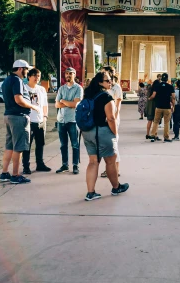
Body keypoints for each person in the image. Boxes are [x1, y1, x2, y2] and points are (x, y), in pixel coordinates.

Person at [80, 71, 129, 200]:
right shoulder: (106, 97)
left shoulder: (88, 95)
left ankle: (90, 193)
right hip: (101, 132)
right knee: (110, 161)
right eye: (107, 80)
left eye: (111, 80)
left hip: (87, 132)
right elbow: (111, 118)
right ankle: (116, 187)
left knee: (93, 162)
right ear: (100, 82)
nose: (110, 82)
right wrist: (115, 133)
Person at [0, 59, 40, 184]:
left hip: (9, 115)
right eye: (26, 69)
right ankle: (16, 175)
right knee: (19, 147)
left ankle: (4, 172)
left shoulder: (7, 80)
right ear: (20, 69)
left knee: (9, 146)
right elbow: (18, 99)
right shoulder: (17, 80)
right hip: (18, 116)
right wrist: (33, 107)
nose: (27, 72)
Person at [55, 66, 83, 174]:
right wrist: (67, 103)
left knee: (75, 144)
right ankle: (64, 164)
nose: (68, 75)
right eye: (66, 73)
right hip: (61, 120)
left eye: (70, 73)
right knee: (63, 145)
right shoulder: (61, 88)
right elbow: (57, 105)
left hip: (73, 120)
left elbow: (75, 104)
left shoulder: (78, 88)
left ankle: (75, 165)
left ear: (74, 75)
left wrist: (63, 100)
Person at [22, 68, 50, 174]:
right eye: (34, 75)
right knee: (27, 145)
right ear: (29, 76)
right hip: (29, 120)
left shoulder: (42, 89)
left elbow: (45, 104)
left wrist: (45, 117)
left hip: (40, 121)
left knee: (40, 144)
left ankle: (40, 164)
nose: (36, 78)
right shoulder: (24, 88)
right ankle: (26, 166)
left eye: (38, 76)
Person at [149, 72, 175, 142]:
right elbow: (173, 97)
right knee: (166, 123)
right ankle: (166, 137)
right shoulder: (170, 86)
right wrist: (173, 106)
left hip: (158, 106)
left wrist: (149, 99)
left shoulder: (157, 86)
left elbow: (153, 95)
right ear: (167, 79)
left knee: (156, 121)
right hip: (167, 107)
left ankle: (153, 136)